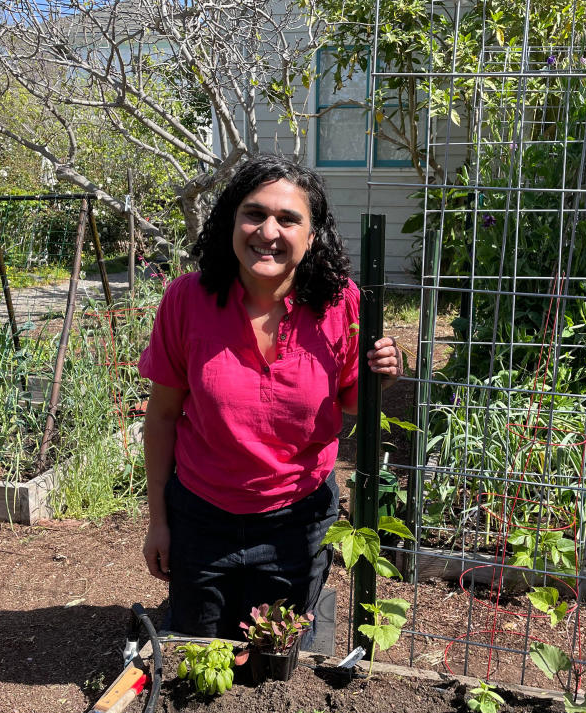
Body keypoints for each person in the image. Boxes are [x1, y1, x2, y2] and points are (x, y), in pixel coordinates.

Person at [138, 154, 401, 640]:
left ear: (312, 233)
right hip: (202, 512)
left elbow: (350, 402)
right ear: (231, 221)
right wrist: (159, 521)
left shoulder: (342, 303)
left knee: (275, 655)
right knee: (201, 649)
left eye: (289, 218)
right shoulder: (186, 300)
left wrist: (380, 377)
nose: (268, 231)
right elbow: (162, 418)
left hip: (296, 517)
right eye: (255, 214)